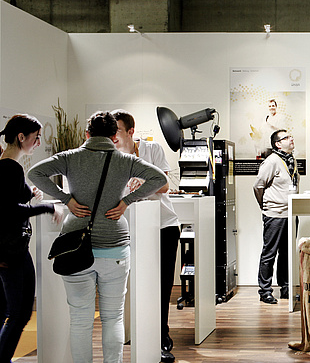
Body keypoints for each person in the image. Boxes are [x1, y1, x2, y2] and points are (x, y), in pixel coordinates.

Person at [28, 111, 167, 363]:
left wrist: (66, 199)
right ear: (115, 136)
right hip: (115, 246)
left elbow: (35, 173)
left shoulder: (70, 157)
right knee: (113, 316)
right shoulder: (125, 160)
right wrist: (126, 201)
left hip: (74, 245)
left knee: (80, 318)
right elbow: (160, 178)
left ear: (86, 134)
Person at [112, 109, 180, 362]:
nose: (113, 137)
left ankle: (161, 336)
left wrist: (130, 190)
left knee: (161, 286)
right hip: (128, 228)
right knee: (128, 286)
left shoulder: (152, 150)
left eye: (117, 131)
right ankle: (135, 335)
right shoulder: (111, 156)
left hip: (163, 225)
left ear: (130, 131)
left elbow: (163, 185)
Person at [0, 114, 63, 363]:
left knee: (6, 310)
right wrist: (47, 207)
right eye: (36, 139)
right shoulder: (11, 168)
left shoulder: (6, 165)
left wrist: (30, 195)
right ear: (21, 137)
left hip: (8, 249)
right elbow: (10, 211)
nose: (38, 144)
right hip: (11, 250)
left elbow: (10, 202)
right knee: (19, 313)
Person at [253, 129, 299, 304]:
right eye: (287, 137)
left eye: (291, 135)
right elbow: (258, 186)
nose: (291, 138)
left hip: (291, 213)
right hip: (275, 214)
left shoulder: (291, 160)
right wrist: (266, 206)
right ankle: (265, 291)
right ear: (278, 144)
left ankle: (286, 289)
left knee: (287, 254)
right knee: (269, 253)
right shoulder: (272, 161)